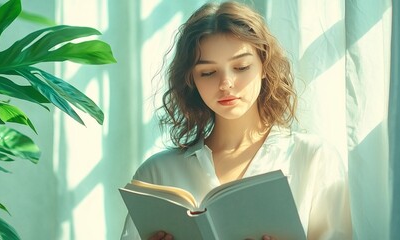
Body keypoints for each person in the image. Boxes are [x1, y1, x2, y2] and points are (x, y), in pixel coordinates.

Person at [120, 1, 352, 239]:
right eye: (208, 72)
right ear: (191, 79)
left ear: (263, 65)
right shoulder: (157, 174)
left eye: (241, 67)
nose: (226, 84)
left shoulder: (314, 159)